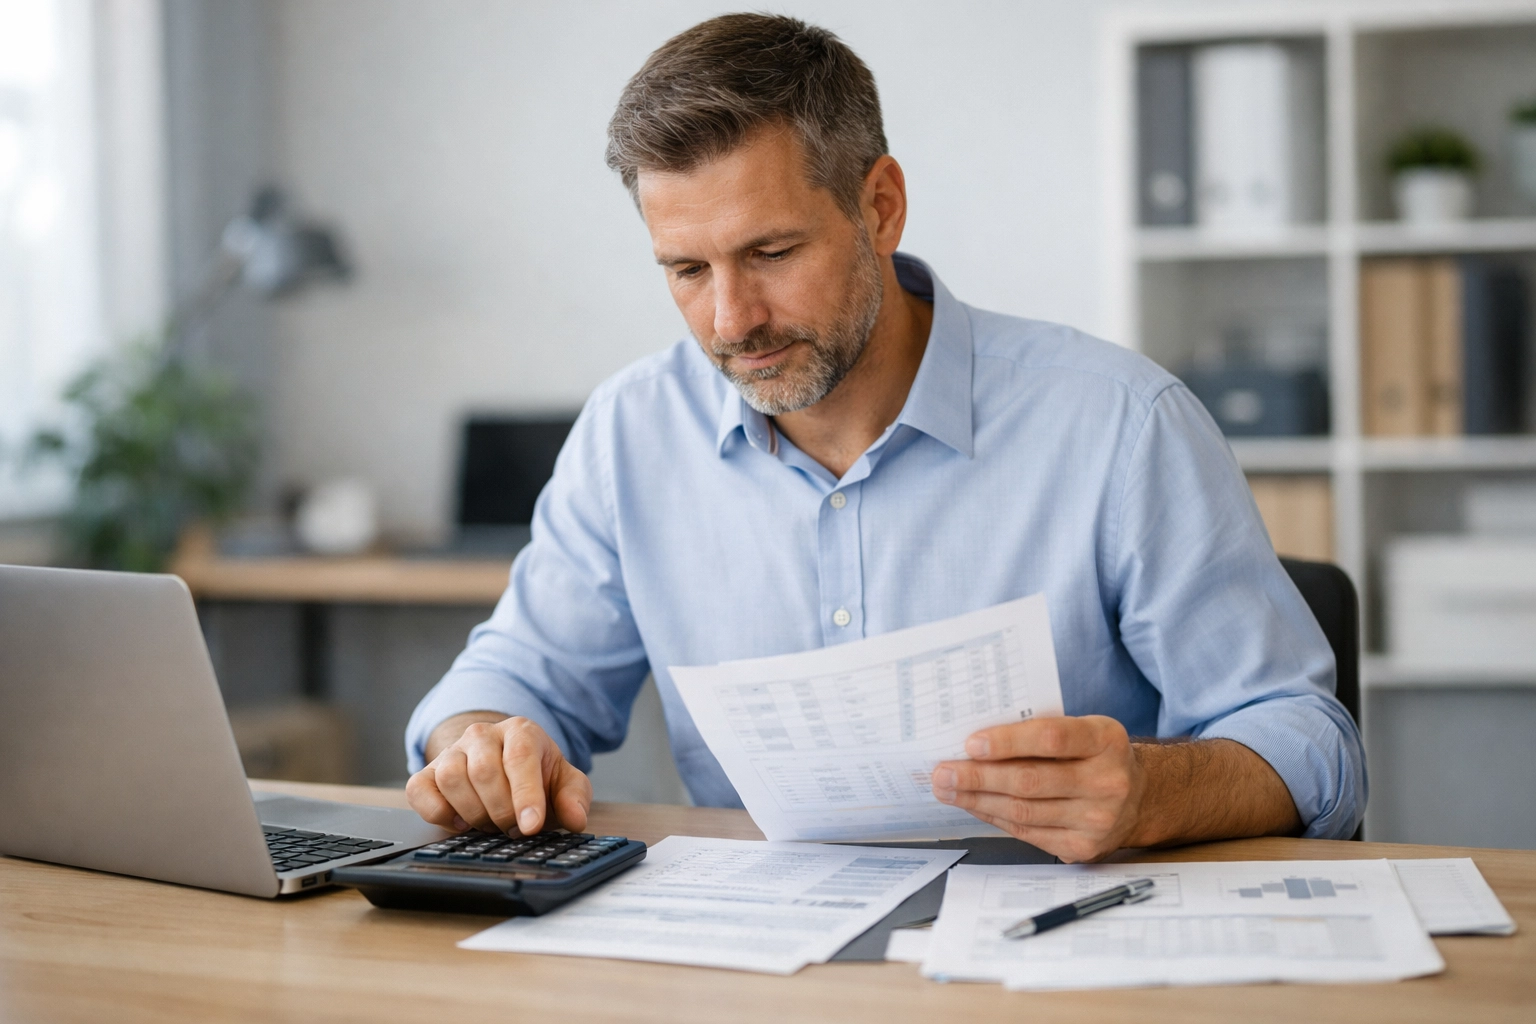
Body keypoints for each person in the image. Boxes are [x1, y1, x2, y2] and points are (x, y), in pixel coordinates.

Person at [403, 13, 1364, 862]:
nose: (732, 320)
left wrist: (1151, 794)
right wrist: (484, 745)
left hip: (1060, 958)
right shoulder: (630, 434)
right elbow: (510, 681)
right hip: (762, 965)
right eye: (688, 269)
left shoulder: (1120, 425)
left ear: (881, 206)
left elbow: (1309, 741)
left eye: (771, 254)